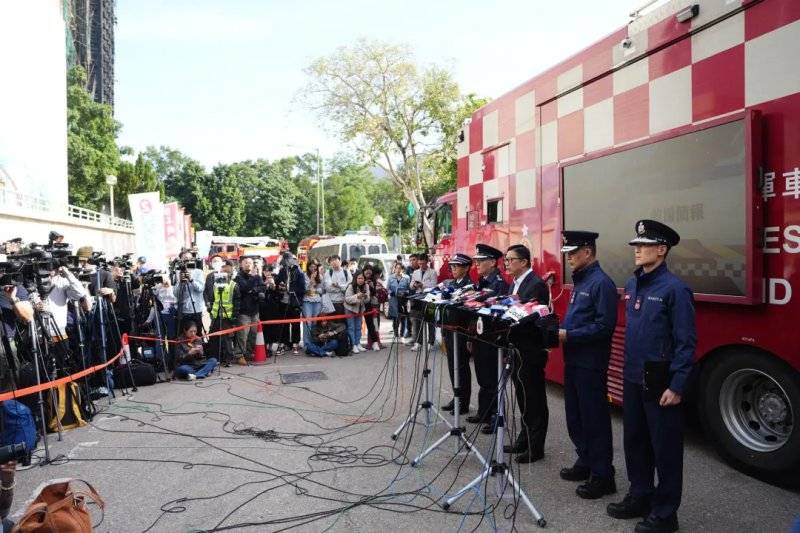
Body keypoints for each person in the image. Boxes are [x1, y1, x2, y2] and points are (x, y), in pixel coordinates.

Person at [607, 220, 695, 533]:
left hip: (661, 382)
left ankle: (666, 514)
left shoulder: (675, 289)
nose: (637, 250)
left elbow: (686, 342)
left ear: (661, 249)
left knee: (665, 450)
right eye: (636, 245)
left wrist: (677, 385)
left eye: (644, 245)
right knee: (635, 441)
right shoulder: (633, 285)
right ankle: (640, 495)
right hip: (634, 377)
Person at [558, 231, 618, 499]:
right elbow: (578, 319)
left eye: (573, 253)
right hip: (574, 360)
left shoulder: (601, 283)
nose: (569, 258)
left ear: (588, 252)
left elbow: (604, 327)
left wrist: (569, 335)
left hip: (591, 363)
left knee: (594, 419)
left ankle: (603, 475)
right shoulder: (582, 281)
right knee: (576, 417)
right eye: (567, 253)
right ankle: (586, 460)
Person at [503, 243, 550, 463]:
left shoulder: (536, 285)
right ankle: (524, 438)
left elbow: (533, 318)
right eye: (506, 260)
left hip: (530, 351)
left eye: (510, 260)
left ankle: (535, 447)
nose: (506, 263)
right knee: (522, 397)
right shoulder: (514, 283)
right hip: (516, 349)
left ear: (523, 262)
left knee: (534, 399)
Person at [467, 244, 508, 434]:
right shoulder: (482, 281)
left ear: (492, 262)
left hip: (491, 337)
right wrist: (471, 336)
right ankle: (484, 412)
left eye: (480, 261)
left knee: (492, 379)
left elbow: (497, 314)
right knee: (483, 377)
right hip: (480, 335)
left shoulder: (498, 283)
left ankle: (495, 417)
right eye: (476, 261)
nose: (476, 264)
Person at [442, 253, 474, 415]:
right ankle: (456, 396)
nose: (453, 269)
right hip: (449, 329)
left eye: (457, 266)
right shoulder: (451, 284)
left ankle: (463, 401)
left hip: (461, 331)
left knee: (461, 366)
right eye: (452, 266)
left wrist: (469, 336)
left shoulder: (470, 286)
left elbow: (469, 314)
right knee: (452, 365)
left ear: (466, 268)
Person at [207, 261, 240, 366]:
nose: (223, 274)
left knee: (226, 339)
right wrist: (210, 310)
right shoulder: (215, 285)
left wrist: (234, 316)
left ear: (230, 274)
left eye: (226, 272)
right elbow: (212, 299)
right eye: (222, 272)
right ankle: (214, 359)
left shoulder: (234, 285)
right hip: (216, 315)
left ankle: (228, 359)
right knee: (214, 337)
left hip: (227, 317)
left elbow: (237, 302)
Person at [234, 257, 264, 363]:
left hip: (255, 310)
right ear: (241, 265)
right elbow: (245, 288)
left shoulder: (256, 276)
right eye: (246, 262)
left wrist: (254, 290)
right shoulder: (238, 277)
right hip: (243, 312)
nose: (248, 264)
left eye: (250, 263)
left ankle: (249, 353)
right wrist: (254, 280)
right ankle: (239, 355)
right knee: (242, 335)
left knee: (253, 334)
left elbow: (262, 287)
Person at [275, 253, 305, 355]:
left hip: (294, 302)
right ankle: (285, 343)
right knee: (284, 325)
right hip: (283, 302)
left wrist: (288, 289)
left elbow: (302, 289)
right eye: (286, 259)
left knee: (295, 324)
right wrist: (279, 287)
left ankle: (295, 343)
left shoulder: (298, 272)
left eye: (289, 259)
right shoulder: (282, 271)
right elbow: (277, 284)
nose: (287, 261)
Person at [409, 253, 437, 350]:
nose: (421, 266)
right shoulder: (415, 272)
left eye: (423, 263)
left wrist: (422, 285)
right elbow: (411, 284)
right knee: (417, 320)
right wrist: (414, 285)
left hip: (430, 298)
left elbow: (434, 285)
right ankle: (418, 342)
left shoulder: (432, 272)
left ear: (427, 262)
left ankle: (431, 342)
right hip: (418, 298)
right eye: (419, 264)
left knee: (430, 320)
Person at [172, 251, 205, 333]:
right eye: (185, 259)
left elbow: (200, 288)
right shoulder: (177, 273)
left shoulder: (198, 272)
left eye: (190, 259)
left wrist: (191, 280)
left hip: (196, 309)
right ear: (181, 261)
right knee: (183, 334)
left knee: (197, 333)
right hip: (183, 310)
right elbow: (176, 294)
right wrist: (180, 282)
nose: (188, 261)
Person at [344, 271, 370, 354]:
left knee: (358, 326)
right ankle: (353, 345)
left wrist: (365, 297)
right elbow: (347, 299)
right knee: (351, 327)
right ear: (355, 278)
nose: (360, 280)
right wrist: (357, 296)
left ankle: (358, 343)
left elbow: (367, 300)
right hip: (350, 309)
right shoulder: (351, 286)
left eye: (362, 278)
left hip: (359, 309)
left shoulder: (366, 286)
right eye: (359, 278)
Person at [302, 261, 324, 349]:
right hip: (307, 301)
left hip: (317, 301)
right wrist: (311, 280)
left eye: (315, 267)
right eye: (311, 266)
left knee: (315, 323)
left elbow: (322, 290)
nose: (313, 268)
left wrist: (315, 290)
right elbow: (305, 289)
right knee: (308, 323)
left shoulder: (320, 276)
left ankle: (314, 342)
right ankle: (307, 344)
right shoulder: (304, 276)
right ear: (308, 267)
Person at [361, 264, 383, 351]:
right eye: (366, 272)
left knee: (372, 324)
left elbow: (374, 293)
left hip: (370, 305)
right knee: (358, 324)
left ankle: (374, 342)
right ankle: (357, 344)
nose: (368, 274)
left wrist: (372, 286)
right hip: (360, 304)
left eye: (370, 273)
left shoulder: (373, 281)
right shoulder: (360, 278)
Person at [387, 262, 411, 340]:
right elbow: (387, 289)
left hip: (403, 300)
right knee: (395, 317)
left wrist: (405, 292)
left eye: (400, 268)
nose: (398, 270)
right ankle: (396, 334)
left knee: (403, 317)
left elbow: (409, 289)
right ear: (394, 269)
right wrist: (391, 292)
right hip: (394, 299)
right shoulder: (391, 277)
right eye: (396, 268)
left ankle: (402, 335)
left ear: (402, 269)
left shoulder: (406, 278)